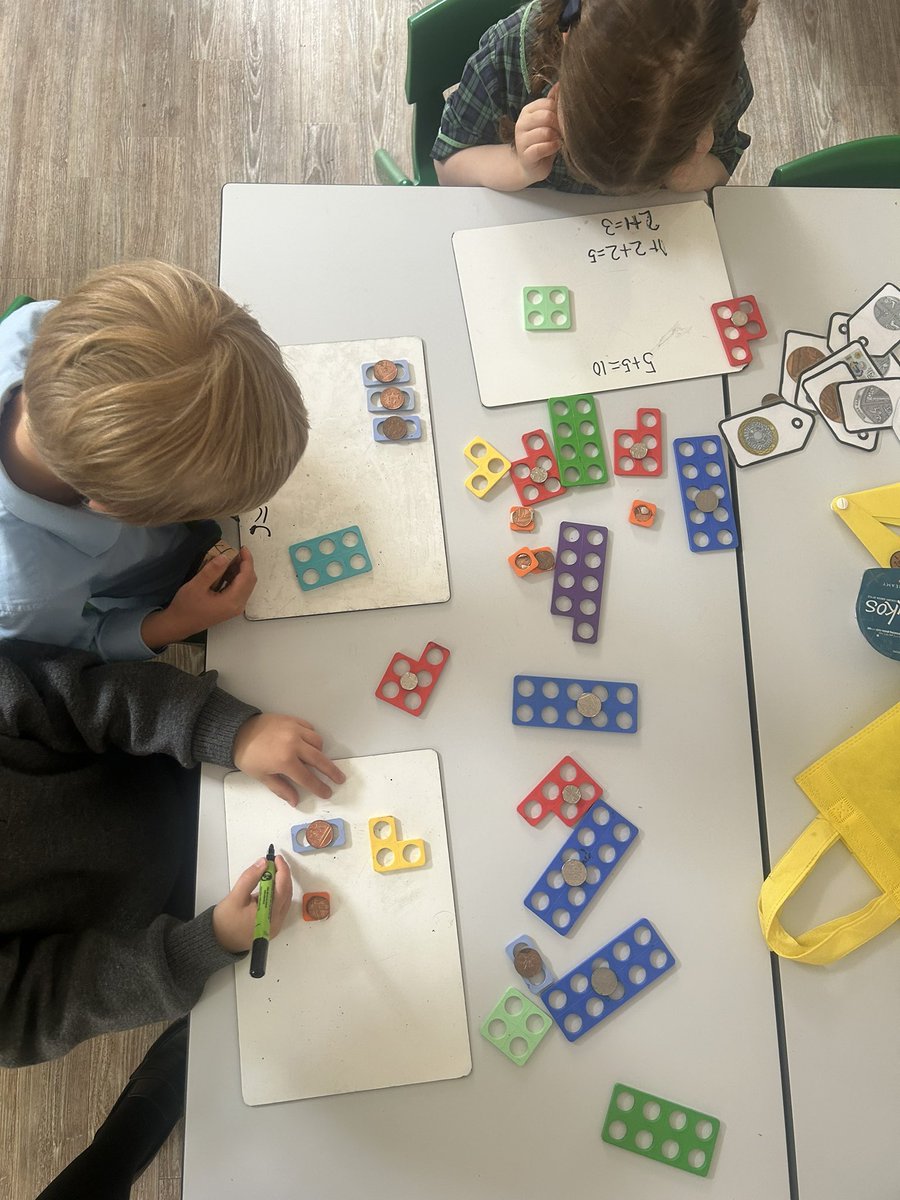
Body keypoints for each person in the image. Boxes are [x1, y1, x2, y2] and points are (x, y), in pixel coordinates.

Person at [0, 639, 345, 1196]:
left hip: (188, 759)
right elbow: (51, 1002)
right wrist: (205, 942)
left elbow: (79, 695)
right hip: (174, 924)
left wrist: (227, 731)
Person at [0, 260, 309, 660]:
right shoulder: (26, 592)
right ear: (110, 509)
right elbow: (77, 655)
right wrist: (176, 621)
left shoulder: (42, 326)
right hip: (146, 587)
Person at [432, 0, 757, 194]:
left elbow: (723, 167)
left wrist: (690, 173)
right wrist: (519, 166)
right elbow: (447, 165)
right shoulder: (511, 54)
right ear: (566, 34)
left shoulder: (721, 80)